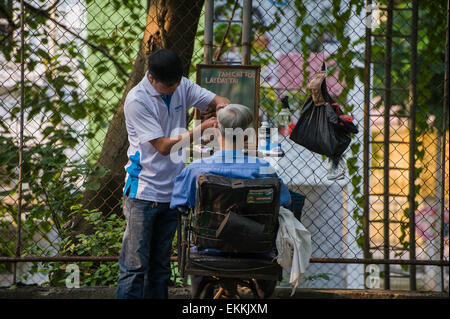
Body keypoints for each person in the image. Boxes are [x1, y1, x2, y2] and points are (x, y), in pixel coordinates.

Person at [116, 48, 230, 299]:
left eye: (176, 83)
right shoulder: (137, 101)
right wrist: (201, 128)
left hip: (172, 191)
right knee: (134, 268)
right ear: (151, 78)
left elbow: (218, 100)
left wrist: (221, 108)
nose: (173, 89)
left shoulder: (181, 85)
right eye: (168, 85)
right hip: (143, 192)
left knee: (160, 268)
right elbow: (164, 147)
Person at [170, 104, 291, 298]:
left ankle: (199, 294)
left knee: (194, 235)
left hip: (209, 249)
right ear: (246, 136)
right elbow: (284, 201)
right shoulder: (263, 168)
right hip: (255, 249)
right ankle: (264, 292)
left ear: (216, 131)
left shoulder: (195, 169)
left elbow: (180, 206)